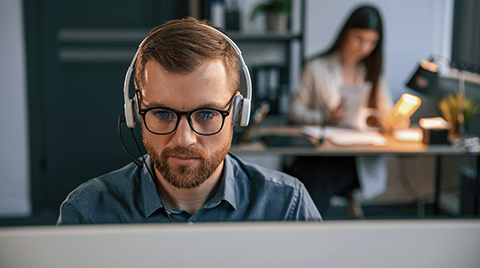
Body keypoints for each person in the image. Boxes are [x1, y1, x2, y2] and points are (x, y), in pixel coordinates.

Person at [57, 17, 321, 224]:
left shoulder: (288, 205)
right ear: (135, 112)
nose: (184, 139)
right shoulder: (87, 212)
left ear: (238, 112)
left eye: (207, 114)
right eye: (162, 113)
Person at [288, 5, 393, 217]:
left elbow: (386, 112)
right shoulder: (316, 67)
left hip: (357, 159)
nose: (364, 47)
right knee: (319, 170)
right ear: (346, 33)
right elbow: (295, 111)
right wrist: (326, 118)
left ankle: (307, 228)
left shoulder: (373, 72)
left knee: (319, 175)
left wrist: (388, 121)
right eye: (359, 38)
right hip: (324, 152)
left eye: (372, 42)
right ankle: (310, 225)